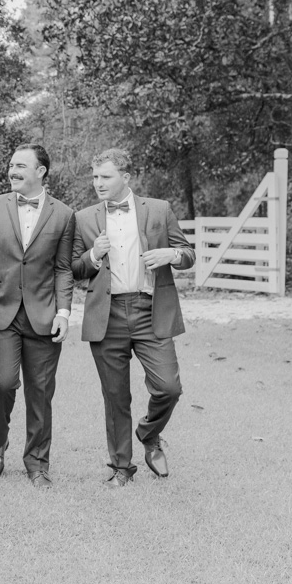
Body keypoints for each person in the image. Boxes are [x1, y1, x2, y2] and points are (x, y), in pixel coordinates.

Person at [72, 148, 194, 487]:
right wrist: (94, 254)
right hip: (106, 315)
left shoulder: (159, 209)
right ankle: (121, 466)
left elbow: (189, 254)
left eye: (105, 176)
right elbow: (74, 269)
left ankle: (148, 432)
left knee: (169, 387)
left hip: (150, 310)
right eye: (95, 176)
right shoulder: (83, 218)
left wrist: (172, 253)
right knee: (115, 395)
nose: (98, 183)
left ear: (126, 177)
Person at [0, 144, 75, 488]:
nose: (12, 171)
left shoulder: (63, 214)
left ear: (41, 171)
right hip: (1, 314)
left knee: (41, 391)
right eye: (10, 165)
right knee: (3, 384)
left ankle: (37, 462)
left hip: (44, 316)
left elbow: (64, 268)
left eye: (20, 166)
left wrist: (63, 312)